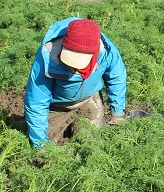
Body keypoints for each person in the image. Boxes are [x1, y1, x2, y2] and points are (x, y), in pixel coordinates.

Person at [24, 17, 127, 147]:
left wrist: (117, 114)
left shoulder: (106, 52)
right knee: (46, 145)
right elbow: (36, 103)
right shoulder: (48, 56)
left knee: (90, 144)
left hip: (88, 101)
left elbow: (117, 79)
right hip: (56, 107)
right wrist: (40, 145)